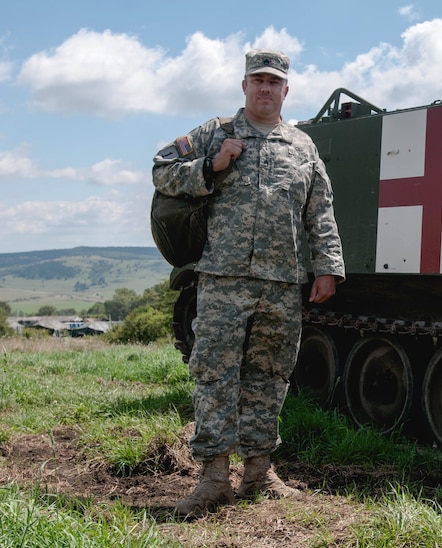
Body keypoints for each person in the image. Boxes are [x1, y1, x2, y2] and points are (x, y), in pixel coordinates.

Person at [152, 49, 345, 518]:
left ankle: (259, 472)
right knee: (214, 373)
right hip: (222, 278)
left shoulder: (302, 147)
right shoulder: (213, 134)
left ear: (286, 90)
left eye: (274, 82)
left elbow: (320, 211)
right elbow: (161, 170)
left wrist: (328, 267)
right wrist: (210, 167)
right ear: (244, 85)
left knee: (270, 376)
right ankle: (214, 478)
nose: (265, 88)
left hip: (281, 282)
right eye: (257, 79)